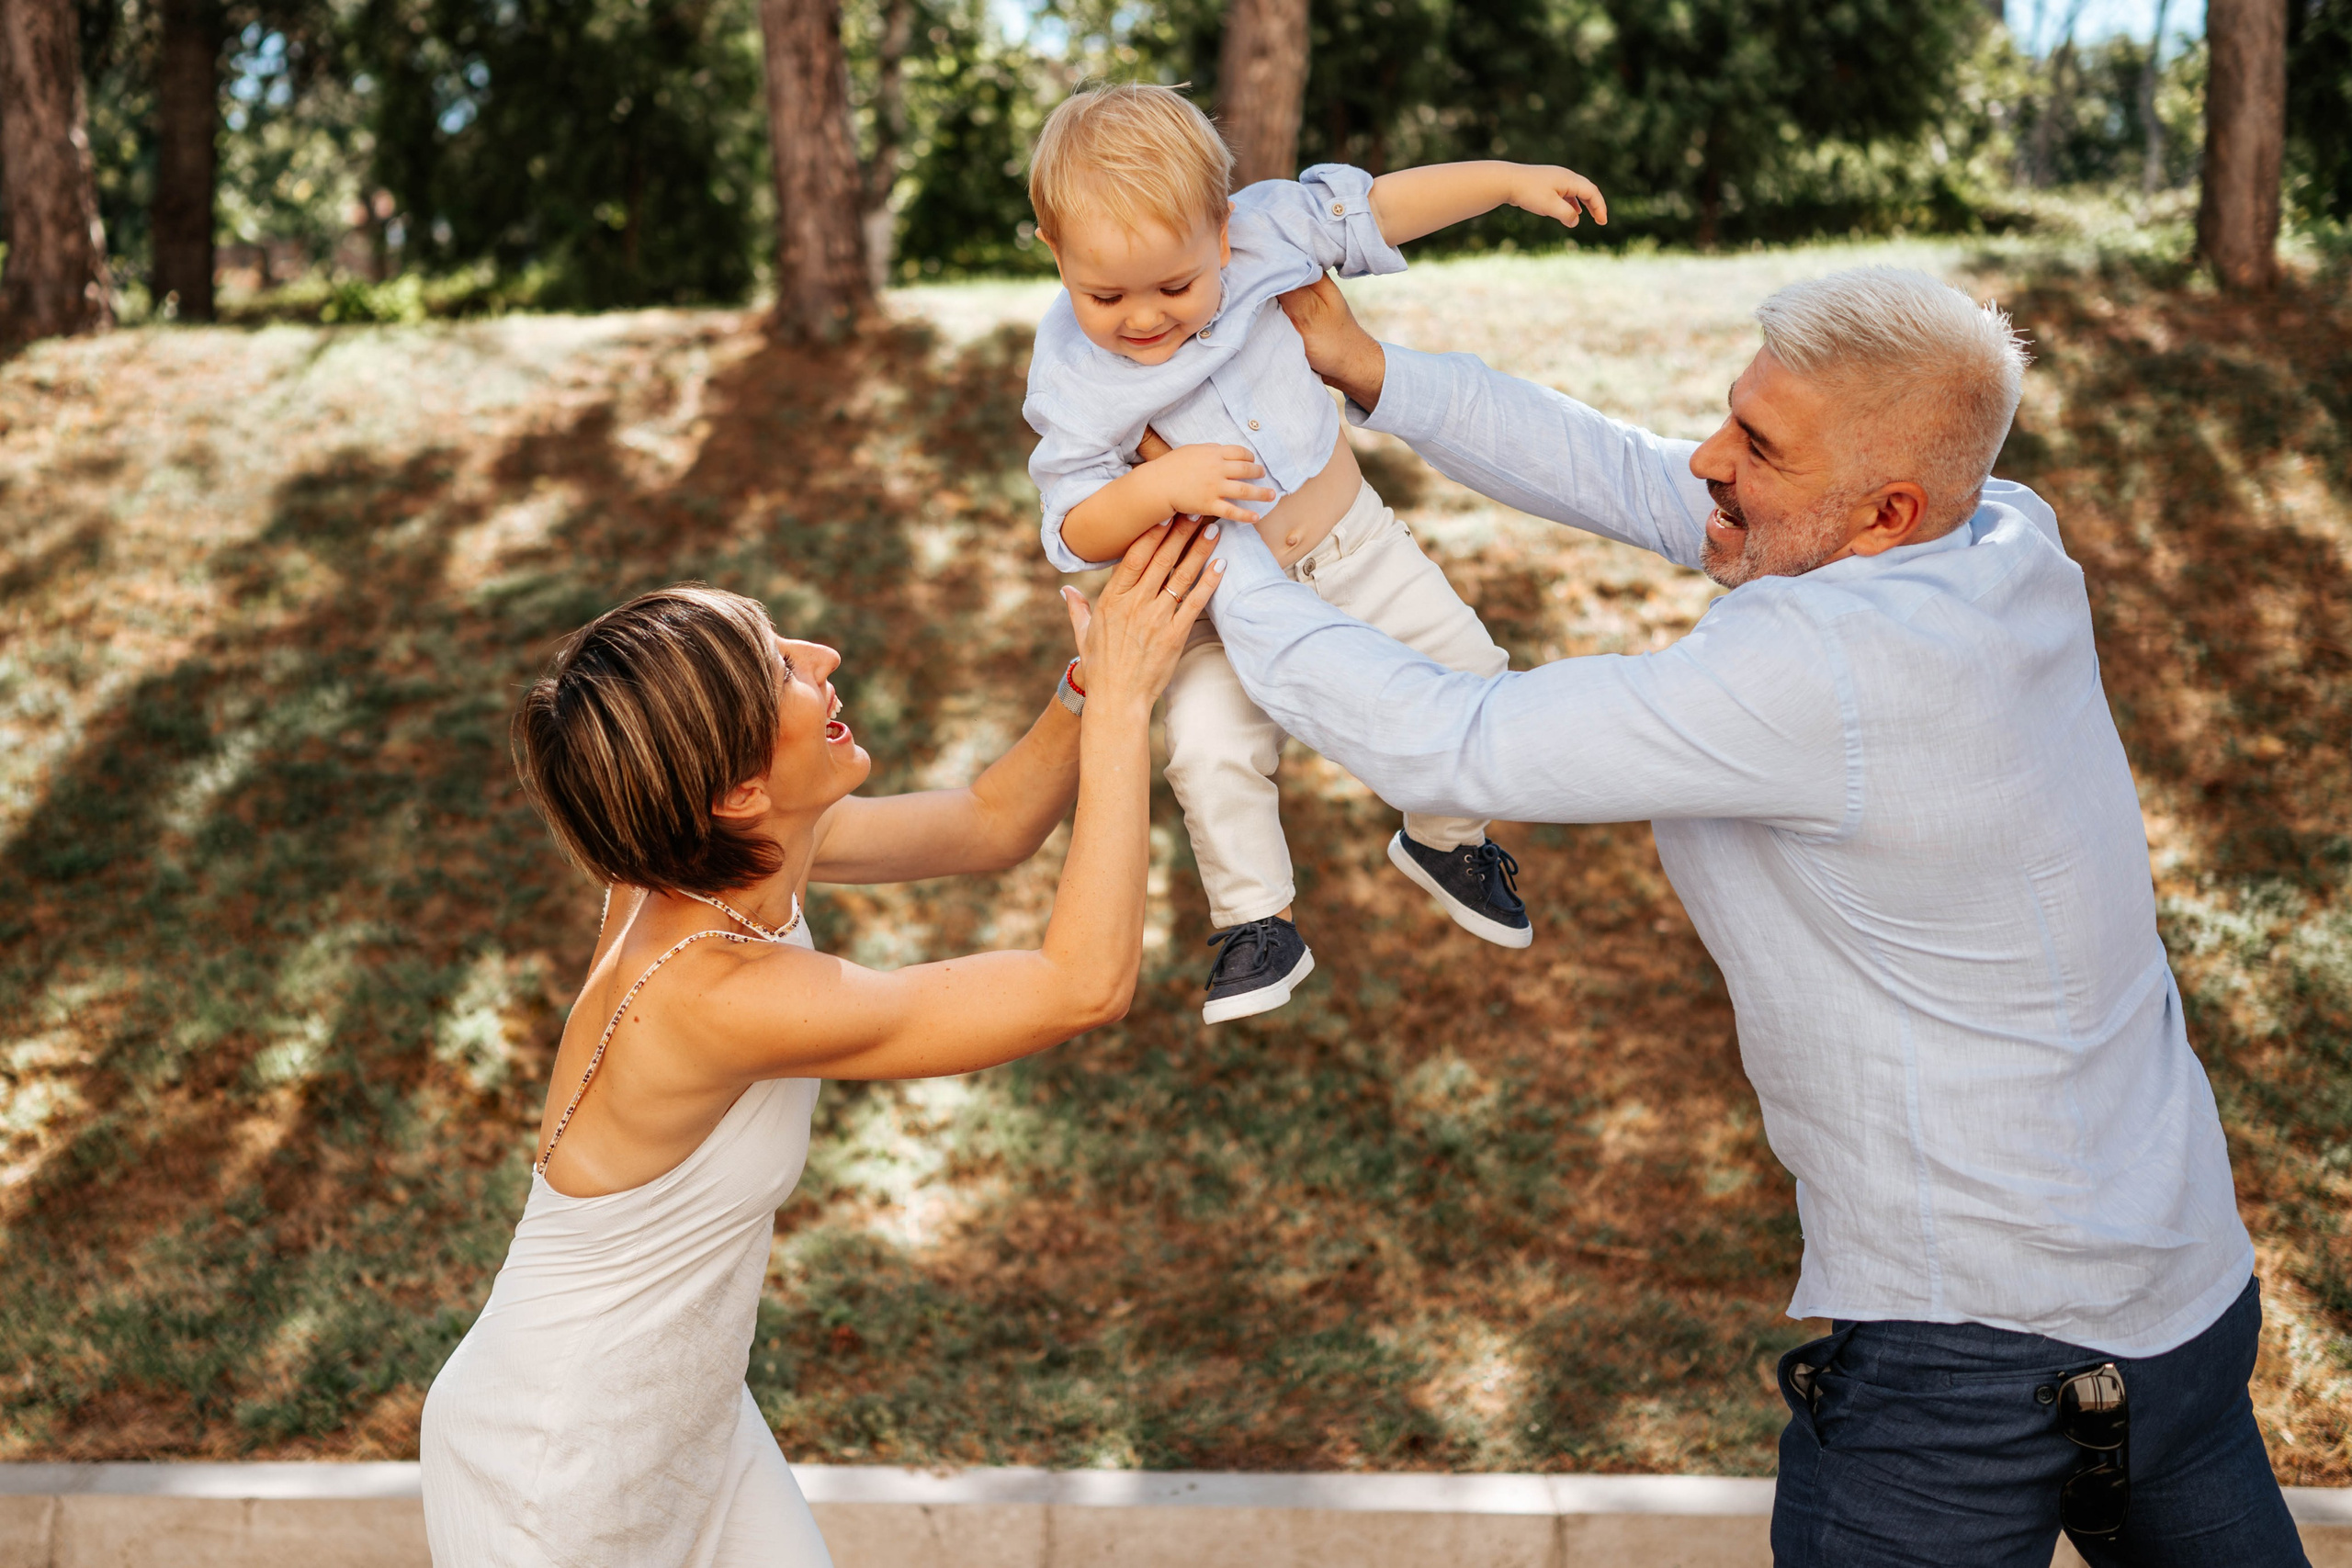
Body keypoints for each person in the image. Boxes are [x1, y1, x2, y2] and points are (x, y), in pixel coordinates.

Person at [1199, 266, 2310, 1566]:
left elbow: (1456, 744)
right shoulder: (1999, 531)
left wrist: (1212, 555)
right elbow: (1641, 475)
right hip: (2182, 1294)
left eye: (1759, 445)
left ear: (1885, 508)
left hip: (1974, 1362)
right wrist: (1376, 369)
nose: (1711, 460)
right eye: (1734, 416)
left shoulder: (1819, 665)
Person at [419, 521, 1224, 1567]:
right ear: (740, 791)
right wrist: (1125, 705)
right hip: (563, 1466)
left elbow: (989, 823)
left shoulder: (727, 848)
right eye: (780, 670)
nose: (822, 659)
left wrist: (1087, 679)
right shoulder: (711, 994)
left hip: (686, 1423)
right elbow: (1079, 986)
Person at [1020, 81, 1611, 1023]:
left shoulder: (1267, 232)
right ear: (1054, 253)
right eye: (1103, 294)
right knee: (1209, 749)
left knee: (1467, 671)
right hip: (1218, 599)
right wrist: (1154, 490)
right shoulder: (1070, 371)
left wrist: (1504, 181)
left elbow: (1373, 207)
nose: (1141, 319)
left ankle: (1445, 837)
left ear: (1220, 231)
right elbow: (1070, 527)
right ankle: (1256, 924)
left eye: (1174, 285)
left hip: (1356, 548)